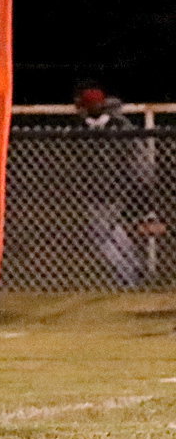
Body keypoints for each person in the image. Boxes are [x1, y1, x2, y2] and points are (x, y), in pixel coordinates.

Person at [73, 82, 153, 286]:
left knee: (101, 235)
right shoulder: (94, 126)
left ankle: (128, 274)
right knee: (112, 230)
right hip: (105, 188)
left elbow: (136, 155)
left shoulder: (115, 125)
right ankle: (133, 267)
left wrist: (139, 181)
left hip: (112, 187)